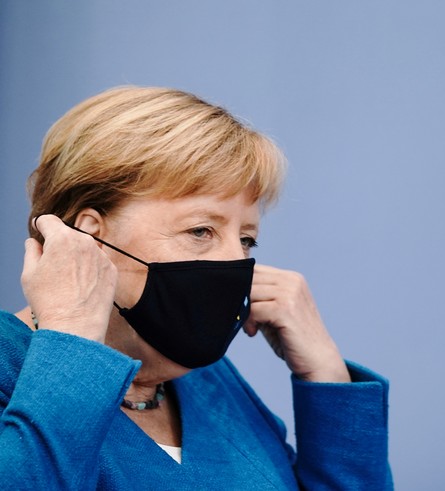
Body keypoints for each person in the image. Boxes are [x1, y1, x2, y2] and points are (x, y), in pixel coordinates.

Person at [0, 86, 392, 489]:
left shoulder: (210, 384)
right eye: (201, 230)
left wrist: (326, 376)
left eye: (246, 239)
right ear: (88, 238)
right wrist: (71, 342)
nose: (236, 263)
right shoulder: (7, 367)